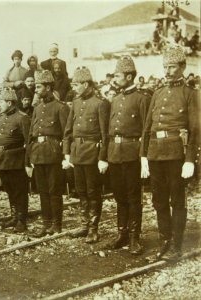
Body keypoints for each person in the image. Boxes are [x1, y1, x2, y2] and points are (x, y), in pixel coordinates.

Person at [141, 46, 199, 261]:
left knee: (177, 200)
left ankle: (177, 244)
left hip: (176, 155)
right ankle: (164, 240)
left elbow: (195, 129)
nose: (167, 70)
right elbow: (147, 128)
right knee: (159, 201)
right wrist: (144, 156)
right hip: (156, 153)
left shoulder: (191, 94)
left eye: (172, 66)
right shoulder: (157, 93)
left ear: (182, 67)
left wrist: (190, 159)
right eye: (165, 66)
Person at [107, 56, 150, 255]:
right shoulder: (115, 99)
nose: (115, 78)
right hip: (115, 153)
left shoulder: (142, 98)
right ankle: (122, 233)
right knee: (119, 195)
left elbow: (145, 131)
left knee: (133, 197)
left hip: (132, 154)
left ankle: (134, 237)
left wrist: (143, 157)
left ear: (129, 76)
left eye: (118, 75)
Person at [63, 66, 110, 243]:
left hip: (92, 153)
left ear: (85, 83)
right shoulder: (75, 102)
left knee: (93, 191)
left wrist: (102, 158)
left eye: (76, 84)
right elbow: (68, 130)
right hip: (77, 152)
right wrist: (66, 153)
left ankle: (93, 228)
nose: (74, 88)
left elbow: (105, 134)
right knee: (80, 190)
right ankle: (84, 225)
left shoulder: (100, 103)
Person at [28, 70, 70, 237]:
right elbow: (32, 133)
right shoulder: (37, 108)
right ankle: (46, 224)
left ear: (48, 87)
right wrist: (30, 155)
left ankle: (57, 224)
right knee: (43, 191)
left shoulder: (61, 107)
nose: (36, 89)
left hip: (53, 154)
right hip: (38, 154)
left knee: (54, 191)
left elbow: (67, 133)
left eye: (39, 86)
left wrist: (64, 155)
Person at [0, 88, 31, 232]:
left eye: (1, 102)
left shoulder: (22, 118)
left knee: (19, 191)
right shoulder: (2, 117)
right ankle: (14, 216)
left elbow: (29, 142)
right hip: (3, 160)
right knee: (9, 190)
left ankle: (22, 220)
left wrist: (28, 162)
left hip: (16, 161)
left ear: (9, 102)